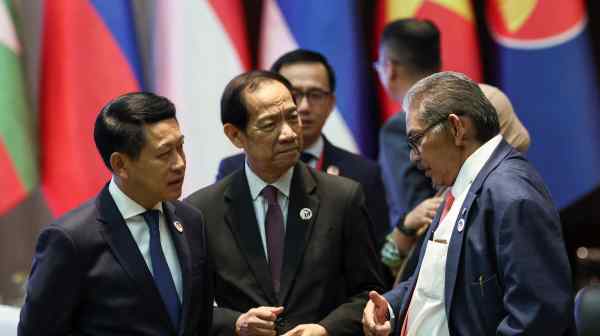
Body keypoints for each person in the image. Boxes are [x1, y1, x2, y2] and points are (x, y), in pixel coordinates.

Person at [362, 72, 573, 335]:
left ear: (456, 128)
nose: (413, 158)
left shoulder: (511, 195)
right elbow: (433, 282)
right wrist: (391, 307)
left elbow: (538, 318)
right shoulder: (459, 186)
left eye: (416, 140)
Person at [186, 70, 385, 335]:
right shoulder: (202, 210)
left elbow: (369, 294)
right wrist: (235, 323)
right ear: (235, 135)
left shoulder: (342, 198)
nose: (290, 134)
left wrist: (326, 329)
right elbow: (187, 308)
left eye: (293, 118)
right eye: (270, 125)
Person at [18, 92, 213, 335]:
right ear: (120, 164)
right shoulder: (71, 240)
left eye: (180, 147)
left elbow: (199, 322)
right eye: (164, 154)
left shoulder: (191, 221)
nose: (180, 163)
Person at [374, 19, 530, 283]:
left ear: (389, 68)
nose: (415, 155)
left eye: (417, 141)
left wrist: (397, 239)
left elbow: (413, 216)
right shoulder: (484, 104)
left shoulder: (398, 128)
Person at [217, 49, 391, 257]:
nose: (304, 107)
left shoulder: (362, 176)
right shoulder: (232, 170)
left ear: (331, 103)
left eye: (315, 95)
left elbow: (371, 265)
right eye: (295, 95)